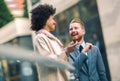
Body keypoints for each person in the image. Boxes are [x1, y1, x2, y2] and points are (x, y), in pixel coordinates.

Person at [30, 4, 70, 81]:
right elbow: (48, 61)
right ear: (45, 20)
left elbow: (61, 59)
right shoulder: (40, 38)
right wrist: (66, 52)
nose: (55, 22)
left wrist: (68, 51)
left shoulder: (51, 39)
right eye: (53, 19)